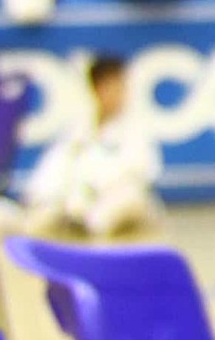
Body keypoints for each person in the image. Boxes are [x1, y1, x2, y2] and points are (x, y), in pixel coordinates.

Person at [21, 53, 161, 241]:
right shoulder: (78, 130)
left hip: (116, 201)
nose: (120, 95)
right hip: (74, 204)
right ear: (97, 89)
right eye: (112, 87)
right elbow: (55, 169)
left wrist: (97, 190)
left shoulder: (137, 128)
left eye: (122, 87)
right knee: (42, 216)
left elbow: (144, 170)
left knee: (131, 200)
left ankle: (91, 227)